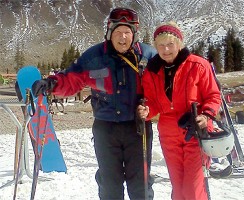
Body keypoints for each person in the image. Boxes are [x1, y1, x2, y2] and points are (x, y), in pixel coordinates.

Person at [32, 7, 156, 200]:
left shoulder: (148, 56)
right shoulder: (94, 57)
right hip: (106, 130)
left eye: (127, 32)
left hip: (138, 129)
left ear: (134, 34)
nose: (123, 37)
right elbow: (72, 80)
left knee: (141, 184)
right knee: (109, 184)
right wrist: (50, 84)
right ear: (109, 33)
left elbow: (171, 77)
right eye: (118, 32)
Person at [137, 21, 221, 200]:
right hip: (169, 135)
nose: (166, 49)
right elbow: (153, 103)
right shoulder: (152, 71)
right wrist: (146, 111)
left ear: (179, 43)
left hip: (195, 132)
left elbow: (213, 96)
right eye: (161, 45)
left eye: (170, 44)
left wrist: (206, 115)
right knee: (178, 186)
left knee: (193, 188)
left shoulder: (198, 65)